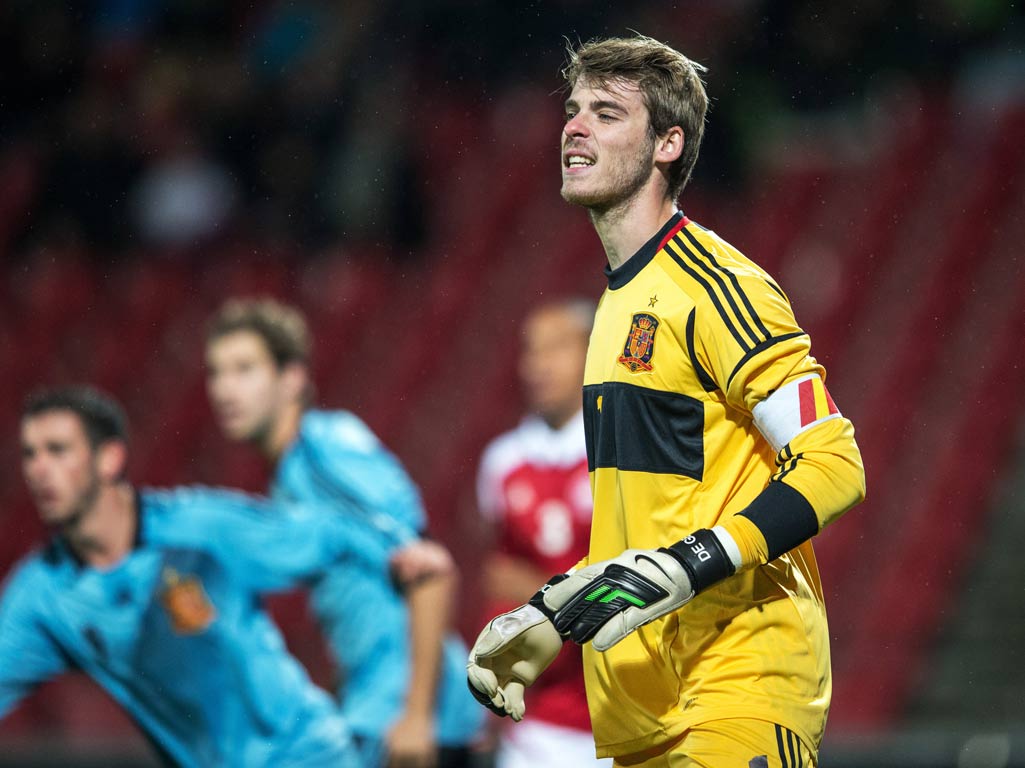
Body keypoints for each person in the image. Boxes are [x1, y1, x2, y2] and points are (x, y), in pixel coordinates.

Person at [466, 34, 866, 768]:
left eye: (607, 113)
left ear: (666, 144)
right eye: (574, 109)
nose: (574, 126)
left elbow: (834, 461)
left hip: (735, 689)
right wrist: (556, 613)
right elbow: (646, 531)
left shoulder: (716, 286)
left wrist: (693, 562)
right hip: (640, 714)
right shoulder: (614, 310)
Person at [1, 385, 380, 767]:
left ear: (109, 459)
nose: (39, 470)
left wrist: (402, 553)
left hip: (306, 755)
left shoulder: (198, 529)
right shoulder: (43, 595)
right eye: (30, 454)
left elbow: (334, 538)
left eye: (57, 450)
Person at [204, 299, 482, 768]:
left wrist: (415, 717)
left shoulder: (322, 455)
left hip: (406, 726)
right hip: (377, 710)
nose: (224, 389)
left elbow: (432, 570)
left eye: (244, 369)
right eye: (216, 372)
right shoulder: (292, 472)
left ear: (292, 378)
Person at [475, 299, 610, 768]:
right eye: (530, 351)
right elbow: (499, 585)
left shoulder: (616, 454)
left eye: (556, 348)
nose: (538, 365)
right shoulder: (503, 462)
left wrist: (538, 589)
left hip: (618, 707)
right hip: (536, 725)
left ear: (592, 353)